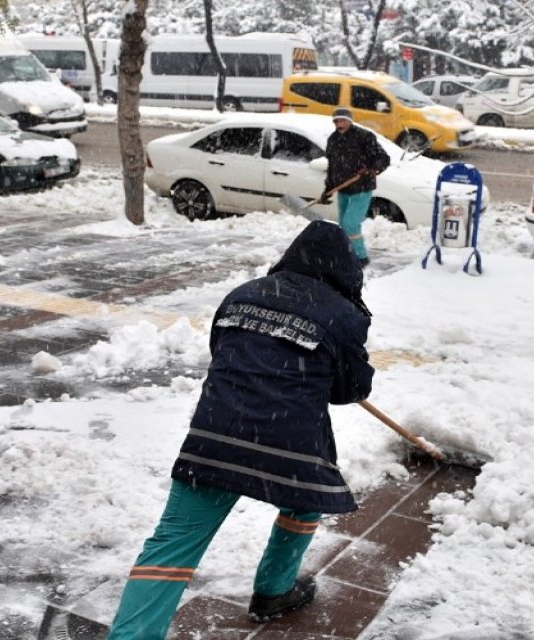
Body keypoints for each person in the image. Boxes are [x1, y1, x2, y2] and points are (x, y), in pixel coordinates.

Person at [108, 221, 374, 640]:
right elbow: (352, 390)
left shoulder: (243, 294)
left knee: (173, 544)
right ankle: (273, 590)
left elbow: (222, 352)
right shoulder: (342, 314)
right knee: (305, 501)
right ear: (346, 269)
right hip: (290, 446)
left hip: (214, 436)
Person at [317, 107, 390, 267]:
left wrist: (371, 168)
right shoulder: (333, 140)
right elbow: (332, 168)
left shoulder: (364, 136)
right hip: (343, 188)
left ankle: (361, 257)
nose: (340, 124)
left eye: (343, 121)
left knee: (351, 223)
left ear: (350, 121)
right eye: (337, 121)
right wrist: (327, 190)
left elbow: (383, 158)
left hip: (362, 187)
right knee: (344, 224)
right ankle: (347, 254)